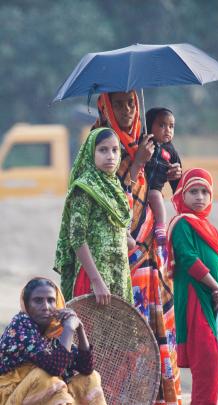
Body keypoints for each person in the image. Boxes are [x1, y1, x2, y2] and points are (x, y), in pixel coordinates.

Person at [93, 91, 182, 404]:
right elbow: (107, 206)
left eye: (131, 102)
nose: (127, 109)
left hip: (151, 252)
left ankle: (160, 395)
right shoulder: (99, 144)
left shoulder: (147, 141)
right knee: (128, 331)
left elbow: (163, 186)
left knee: (157, 327)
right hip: (120, 256)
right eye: (118, 104)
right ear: (106, 107)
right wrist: (137, 165)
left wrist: (167, 171)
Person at [167, 168, 218, 405]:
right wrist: (216, 288)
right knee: (205, 360)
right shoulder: (182, 223)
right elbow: (187, 258)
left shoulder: (209, 227)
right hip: (197, 297)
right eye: (193, 191)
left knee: (212, 362)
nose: (199, 197)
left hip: (216, 300)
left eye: (205, 192)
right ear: (181, 195)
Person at [54, 127, 133, 305]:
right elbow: (77, 238)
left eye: (115, 150)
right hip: (94, 277)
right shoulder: (84, 188)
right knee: (91, 331)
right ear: (91, 152)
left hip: (119, 274)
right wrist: (97, 281)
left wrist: (125, 239)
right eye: (103, 150)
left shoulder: (115, 187)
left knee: (117, 331)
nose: (110, 156)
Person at [0, 277, 107, 405]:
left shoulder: (54, 331)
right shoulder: (20, 325)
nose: (46, 307)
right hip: (11, 398)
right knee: (44, 377)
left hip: (39, 394)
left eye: (51, 301)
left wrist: (79, 328)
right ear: (27, 305)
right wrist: (68, 328)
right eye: (38, 301)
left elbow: (86, 368)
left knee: (91, 377)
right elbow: (54, 367)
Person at [144, 107, 181, 247]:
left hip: (154, 189)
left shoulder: (171, 152)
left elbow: (178, 182)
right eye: (162, 125)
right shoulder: (144, 144)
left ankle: (160, 228)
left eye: (171, 126)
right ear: (149, 125)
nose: (168, 130)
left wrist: (177, 174)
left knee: (156, 196)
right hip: (138, 187)